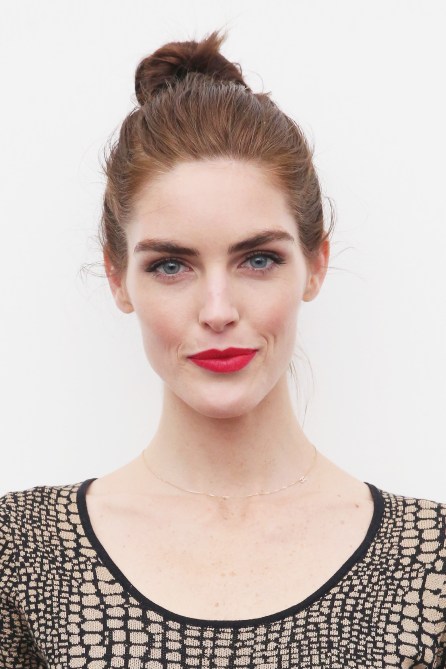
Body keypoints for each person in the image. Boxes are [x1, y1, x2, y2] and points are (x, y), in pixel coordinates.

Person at [0, 29, 444, 669]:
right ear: (117, 277)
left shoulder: (430, 563)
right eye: (171, 266)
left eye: (258, 259)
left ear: (316, 264)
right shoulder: (22, 554)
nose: (217, 311)